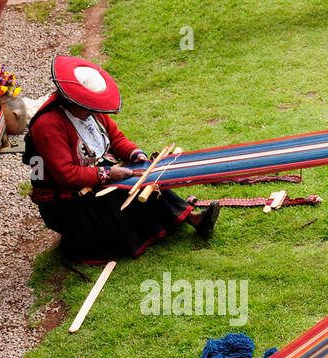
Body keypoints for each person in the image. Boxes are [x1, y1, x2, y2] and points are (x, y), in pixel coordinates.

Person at [23, 56, 219, 264]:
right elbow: (67, 174)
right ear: (71, 99)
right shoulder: (48, 125)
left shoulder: (89, 110)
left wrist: (135, 154)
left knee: (145, 176)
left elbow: (116, 139)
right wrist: (109, 174)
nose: (92, 112)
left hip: (90, 176)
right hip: (66, 201)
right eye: (88, 107)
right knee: (121, 192)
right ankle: (189, 218)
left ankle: (189, 216)